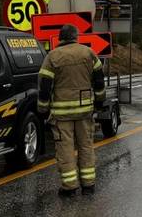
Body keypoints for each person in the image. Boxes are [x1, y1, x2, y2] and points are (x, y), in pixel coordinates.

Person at [37, 24, 106, 196]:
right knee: (86, 146)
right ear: (76, 36)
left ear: (60, 38)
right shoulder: (88, 53)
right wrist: (99, 101)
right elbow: (99, 80)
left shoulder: (52, 56)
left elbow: (44, 85)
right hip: (85, 111)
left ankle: (69, 187)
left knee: (65, 149)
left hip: (62, 115)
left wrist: (43, 109)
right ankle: (88, 185)